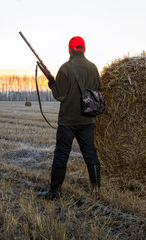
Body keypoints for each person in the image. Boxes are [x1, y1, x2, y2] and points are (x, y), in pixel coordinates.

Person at [38, 36, 101, 199]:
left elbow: (60, 95)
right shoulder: (93, 68)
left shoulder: (65, 68)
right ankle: (96, 191)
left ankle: (54, 192)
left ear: (70, 49)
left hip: (68, 121)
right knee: (90, 153)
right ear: (84, 49)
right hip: (88, 119)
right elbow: (97, 91)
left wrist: (52, 84)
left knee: (61, 154)